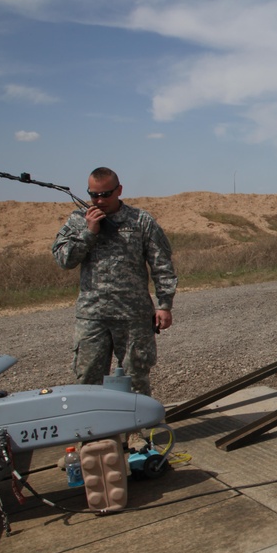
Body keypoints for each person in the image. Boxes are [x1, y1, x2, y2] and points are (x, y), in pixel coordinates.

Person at [52, 167, 177, 443]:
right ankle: (90, 439)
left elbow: (162, 264)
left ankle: (136, 435)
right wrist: (89, 232)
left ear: (119, 190)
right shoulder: (78, 220)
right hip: (92, 317)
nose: (99, 200)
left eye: (105, 194)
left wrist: (164, 304)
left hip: (133, 316)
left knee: (135, 377)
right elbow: (64, 260)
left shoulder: (141, 221)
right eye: (93, 195)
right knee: (87, 380)